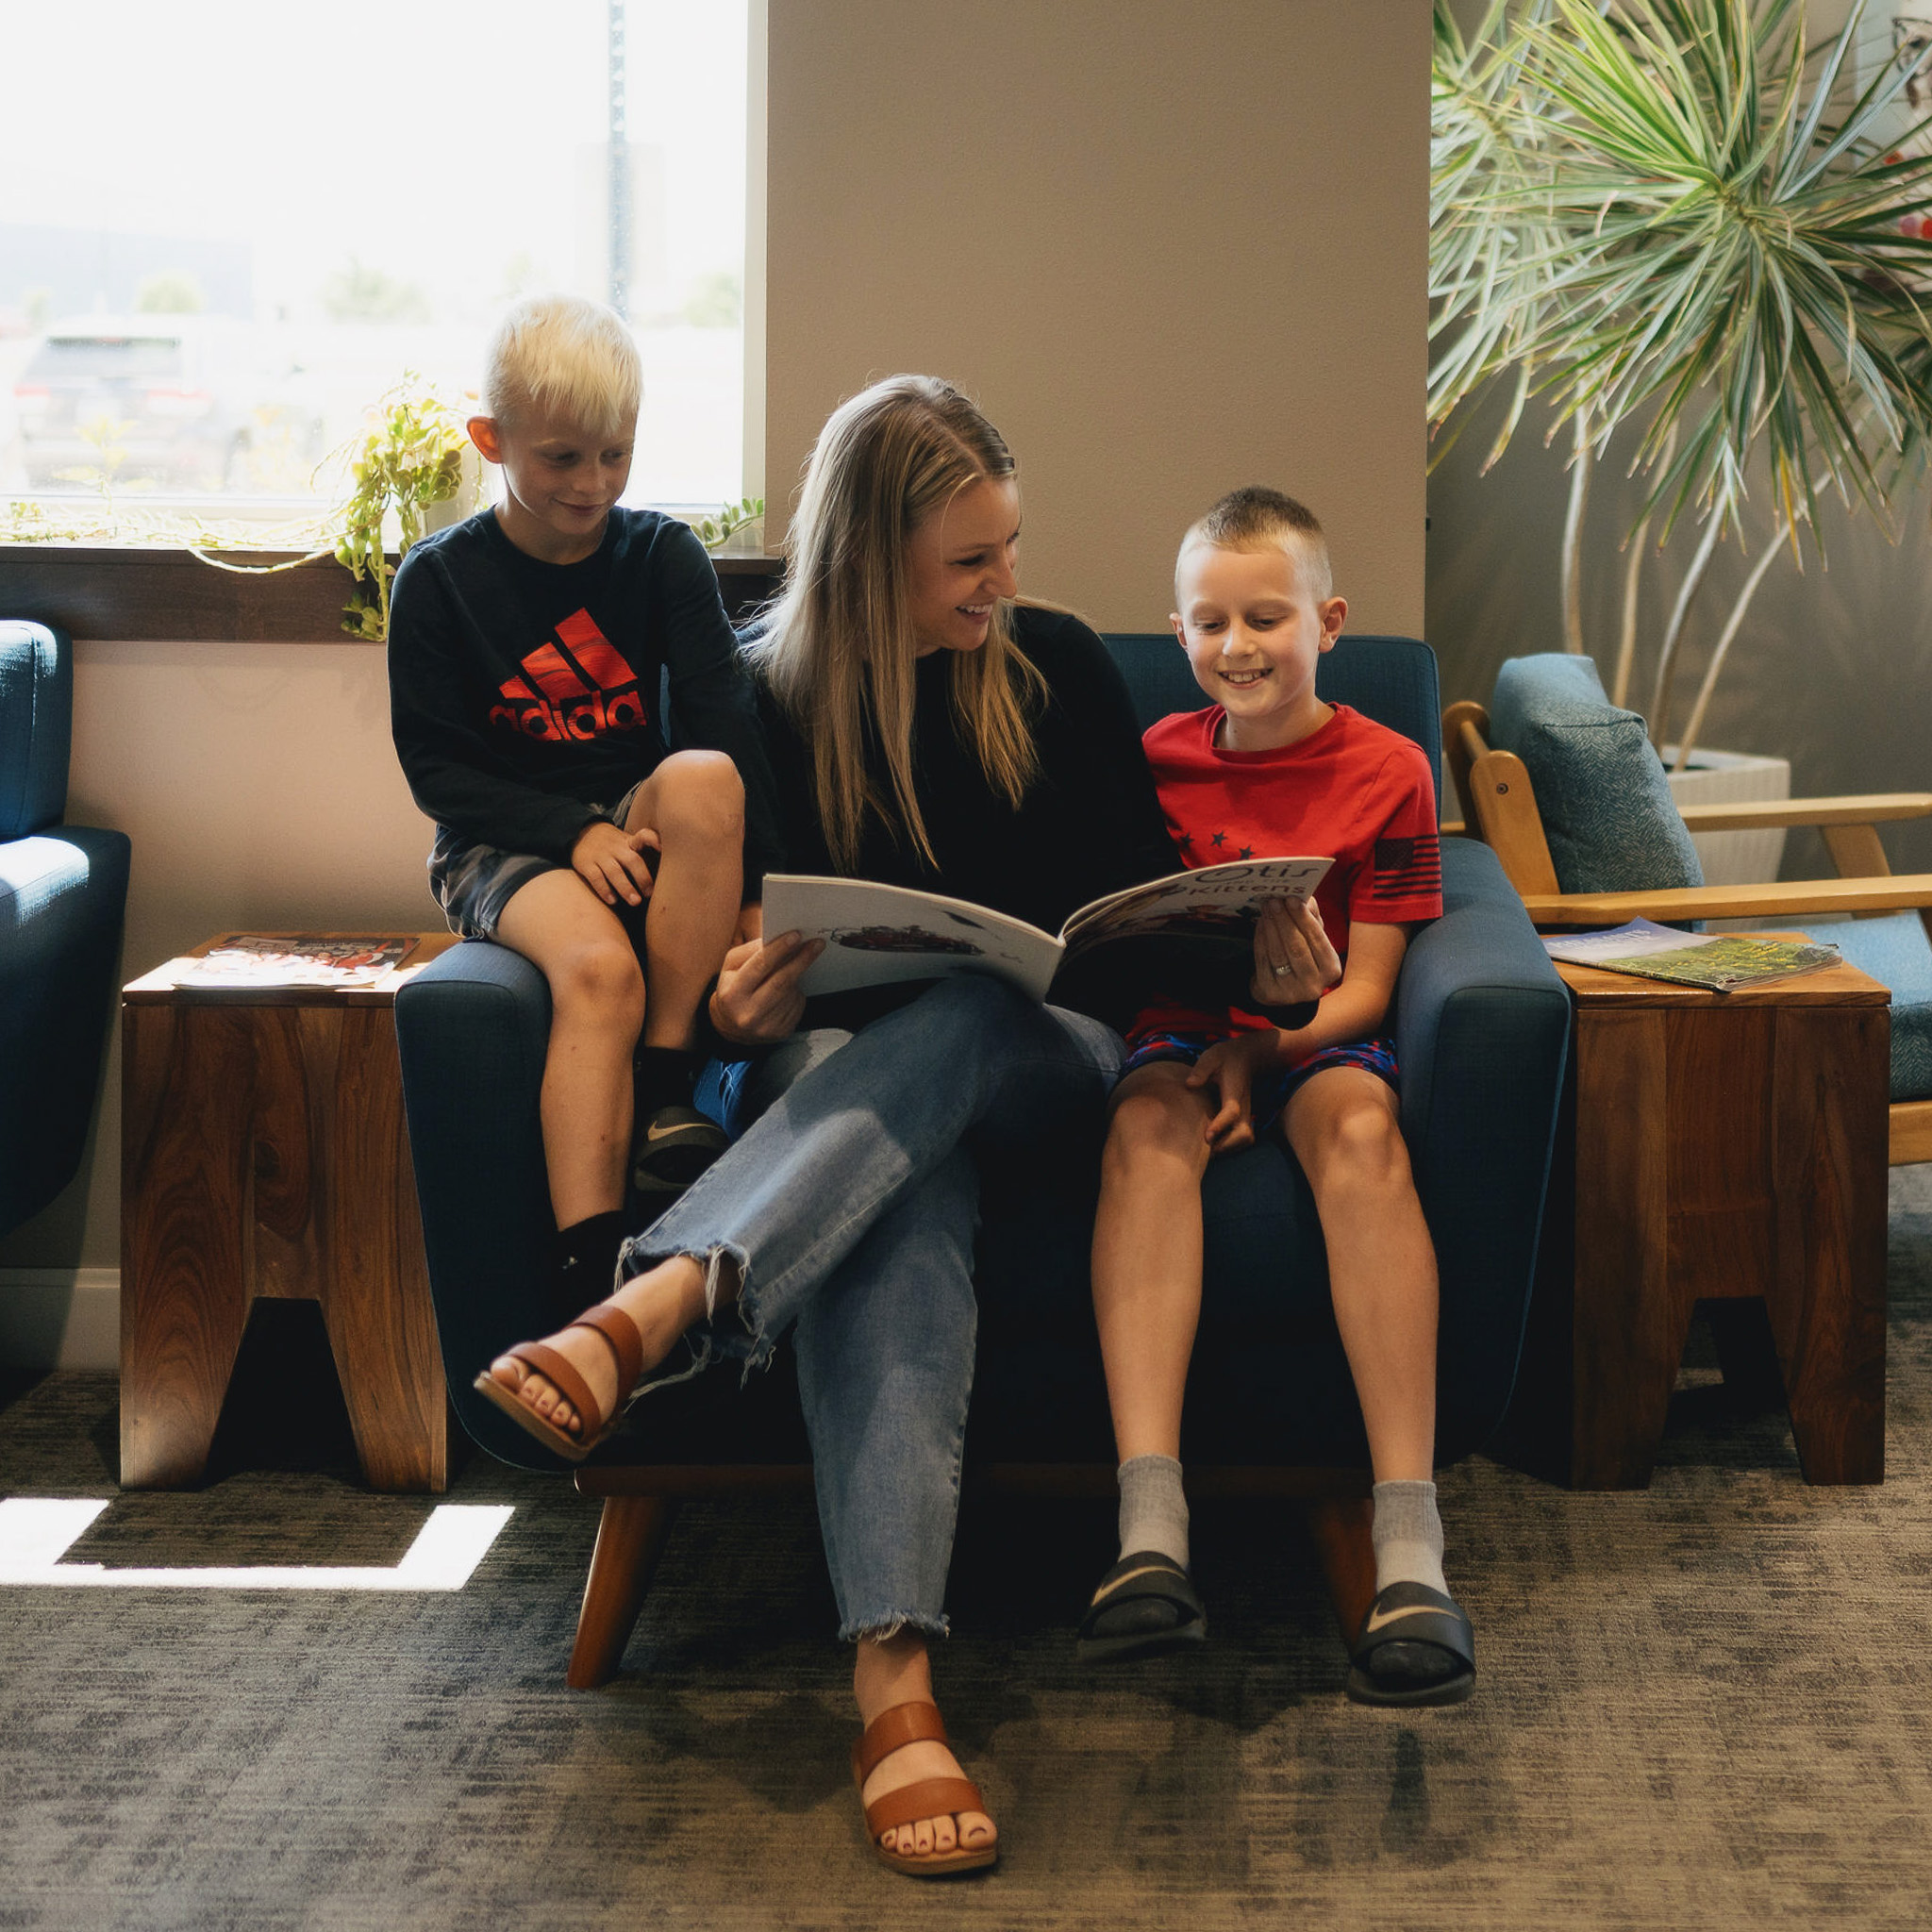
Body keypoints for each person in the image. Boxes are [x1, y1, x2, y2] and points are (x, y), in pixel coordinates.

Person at [472, 376, 1320, 1877]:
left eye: (1008, 548)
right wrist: (734, 1012)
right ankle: (896, 1687)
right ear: (874, 562)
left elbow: (1139, 909)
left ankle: (663, 1296)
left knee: (983, 1013)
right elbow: (731, 978)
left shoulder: (1050, 665)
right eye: (969, 563)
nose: (1007, 586)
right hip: (833, 1091)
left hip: (1042, 1068)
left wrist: (1242, 957)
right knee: (899, 1203)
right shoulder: (757, 696)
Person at [1075, 486, 1474, 1707]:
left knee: (1363, 1132)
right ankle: (1151, 1524)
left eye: (1265, 617)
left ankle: (1410, 1536)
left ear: (1328, 620)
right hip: (1176, 1034)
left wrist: (1270, 1044)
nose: (1236, 646)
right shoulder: (1147, 764)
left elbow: (1375, 983)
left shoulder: (1391, 769)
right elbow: (1120, 946)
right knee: (1145, 1132)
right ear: (1179, 632)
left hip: (1318, 1040)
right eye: (1208, 624)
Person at [388, 294, 778, 1318]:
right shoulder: (438, 583)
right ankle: (589, 1267)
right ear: (492, 441)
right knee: (599, 972)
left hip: (629, 804)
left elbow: (724, 728)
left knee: (704, 777)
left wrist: (755, 903)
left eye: (615, 453)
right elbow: (437, 772)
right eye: (562, 458)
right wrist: (573, 832)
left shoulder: (659, 555)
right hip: (499, 832)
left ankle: (663, 1092)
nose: (593, 484)